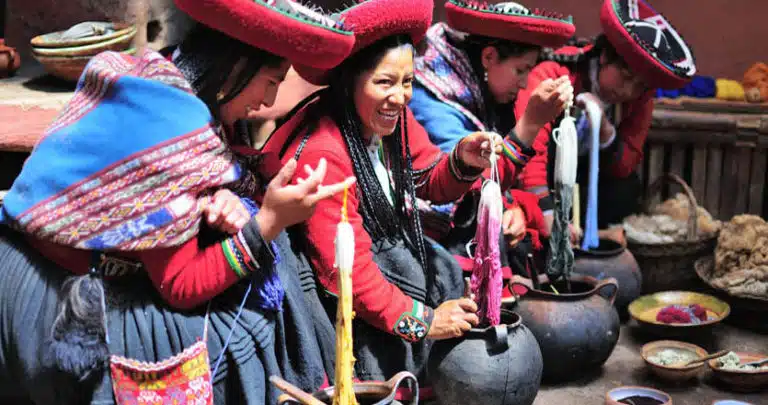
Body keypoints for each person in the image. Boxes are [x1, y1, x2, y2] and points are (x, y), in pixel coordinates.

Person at [0, 0, 357, 403]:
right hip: (58, 300)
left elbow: (210, 176)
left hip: (32, 261)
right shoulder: (170, 133)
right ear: (235, 68)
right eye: (271, 80)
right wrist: (268, 223)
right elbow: (181, 286)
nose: (270, 99)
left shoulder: (170, 76)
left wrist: (231, 192)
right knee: (247, 328)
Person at [255, 0, 515, 383]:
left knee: (438, 268)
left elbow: (427, 177)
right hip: (332, 297)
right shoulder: (324, 154)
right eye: (385, 82)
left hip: (369, 270)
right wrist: (425, 321)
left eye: (407, 81)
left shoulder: (392, 118)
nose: (401, 96)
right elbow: (350, 275)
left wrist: (463, 158)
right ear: (348, 82)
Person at [408, 0, 576, 276]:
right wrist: (530, 125)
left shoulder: (475, 91)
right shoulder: (434, 101)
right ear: (488, 57)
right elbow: (467, 183)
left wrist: (513, 208)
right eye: (520, 70)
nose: (524, 84)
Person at [516, 0, 696, 232]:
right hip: (542, 182)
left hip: (583, 188)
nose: (630, 92)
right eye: (626, 77)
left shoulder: (639, 99)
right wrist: (548, 215)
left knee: (626, 190)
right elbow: (529, 155)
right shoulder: (555, 73)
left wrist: (605, 131)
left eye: (640, 86)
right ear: (604, 57)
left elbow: (625, 165)